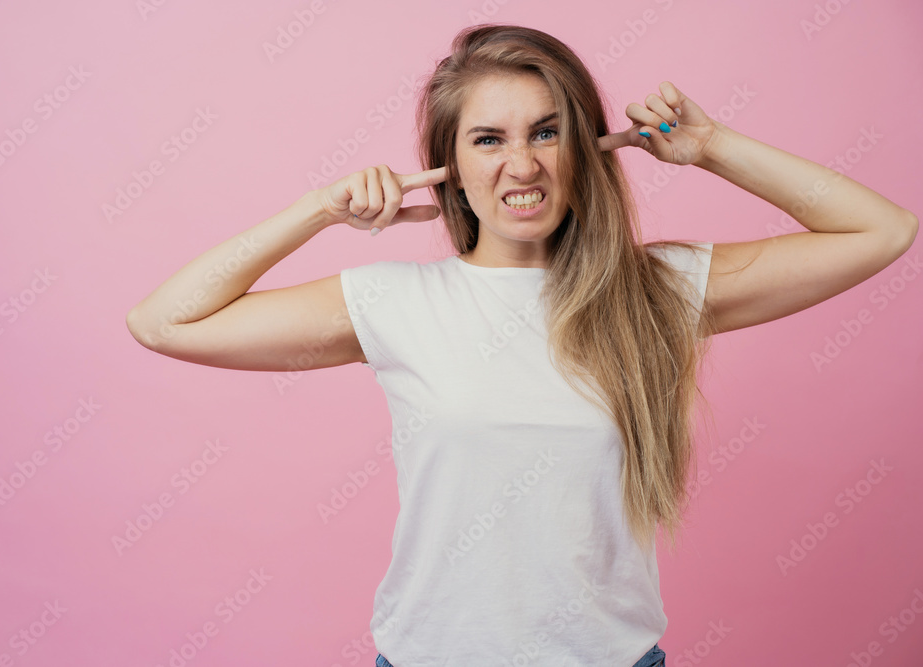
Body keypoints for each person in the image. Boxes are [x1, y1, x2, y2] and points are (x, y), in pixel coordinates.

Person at [125, 23, 917, 667]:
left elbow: (881, 231)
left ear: (587, 147)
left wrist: (711, 146)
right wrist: (318, 211)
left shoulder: (656, 289)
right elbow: (165, 321)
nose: (522, 164)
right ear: (446, 167)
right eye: (487, 140)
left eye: (546, 131)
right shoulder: (396, 301)